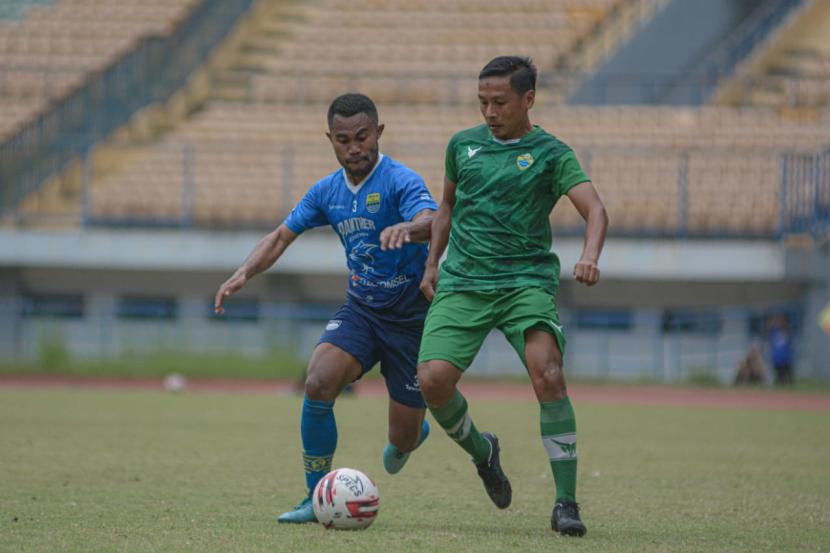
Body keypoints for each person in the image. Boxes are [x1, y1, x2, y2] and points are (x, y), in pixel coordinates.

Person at [214, 93, 437, 523]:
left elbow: (432, 220)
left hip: (412, 318)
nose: (354, 147)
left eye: (362, 136)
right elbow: (281, 236)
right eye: (343, 140)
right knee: (318, 381)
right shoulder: (326, 191)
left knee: (401, 442)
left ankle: (411, 434)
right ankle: (314, 498)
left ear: (379, 132)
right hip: (362, 310)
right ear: (330, 140)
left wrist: (408, 228)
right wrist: (244, 272)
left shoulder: (400, 180)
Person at [416, 56, 608, 537]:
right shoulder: (461, 146)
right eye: (482, 102)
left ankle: (566, 502)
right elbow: (447, 208)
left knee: (549, 374)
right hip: (464, 281)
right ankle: (484, 453)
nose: (489, 112)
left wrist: (589, 255)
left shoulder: (551, 153)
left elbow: (595, 209)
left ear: (528, 99)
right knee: (432, 382)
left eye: (499, 102)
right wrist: (431, 262)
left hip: (525, 283)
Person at [767, 314, 794, 385]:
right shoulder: (774, 331)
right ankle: (780, 384)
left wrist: (785, 326)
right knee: (779, 375)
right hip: (777, 356)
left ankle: (789, 385)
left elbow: (790, 338)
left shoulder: (787, 331)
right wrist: (772, 324)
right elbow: (767, 332)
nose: (780, 323)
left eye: (782, 321)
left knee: (788, 374)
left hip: (786, 356)